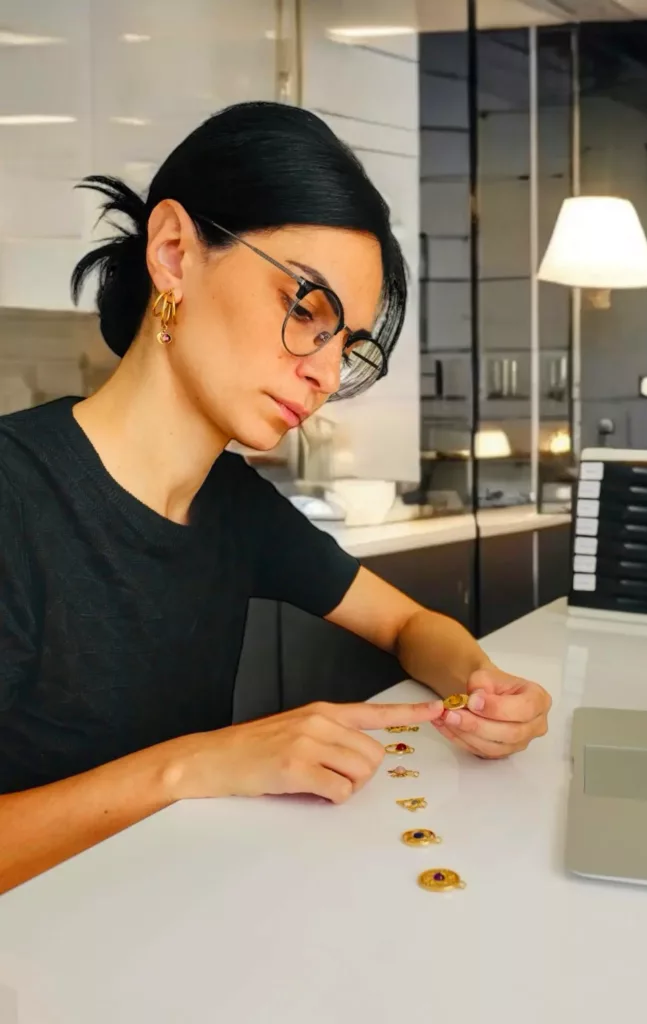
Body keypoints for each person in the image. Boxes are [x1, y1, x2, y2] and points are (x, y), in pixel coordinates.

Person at [0, 102, 551, 894]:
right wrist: (194, 766)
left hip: (163, 920)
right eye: (305, 308)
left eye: (345, 346)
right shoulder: (17, 497)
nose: (326, 376)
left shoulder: (233, 505)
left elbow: (405, 624)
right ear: (174, 252)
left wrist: (478, 682)